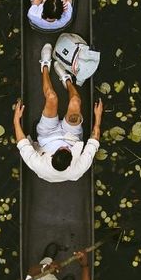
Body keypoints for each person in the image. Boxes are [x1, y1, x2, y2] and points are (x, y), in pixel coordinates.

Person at [14, 44, 103, 182]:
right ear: (71, 160)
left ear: (52, 156)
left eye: (60, 149)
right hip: (71, 137)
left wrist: (16, 119)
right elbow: (94, 140)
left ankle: (44, 66)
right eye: (66, 149)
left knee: (52, 97)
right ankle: (67, 80)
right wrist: (98, 116)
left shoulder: (39, 165)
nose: (63, 146)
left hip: (47, 134)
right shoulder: (78, 169)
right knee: (75, 101)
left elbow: (22, 143)